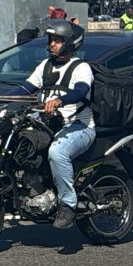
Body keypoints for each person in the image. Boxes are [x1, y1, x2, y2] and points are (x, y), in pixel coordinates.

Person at [16, 19, 95, 229]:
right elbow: (25, 89)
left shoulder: (81, 68)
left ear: (70, 44)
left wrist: (60, 100)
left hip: (79, 126)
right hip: (49, 124)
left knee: (56, 152)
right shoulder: (46, 66)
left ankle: (68, 204)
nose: (51, 44)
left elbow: (80, 91)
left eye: (58, 40)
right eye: (51, 40)